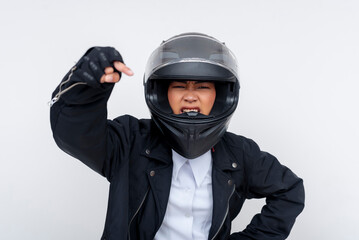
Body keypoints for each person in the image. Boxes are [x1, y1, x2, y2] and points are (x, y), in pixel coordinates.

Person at [50, 32, 304, 240]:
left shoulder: (239, 153)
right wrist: (86, 86)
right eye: (179, 86)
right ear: (162, 92)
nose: (191, 95)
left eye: (203, 86)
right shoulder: (130, 141)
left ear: (220, 95)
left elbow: (290, 190)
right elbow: (73, 135)